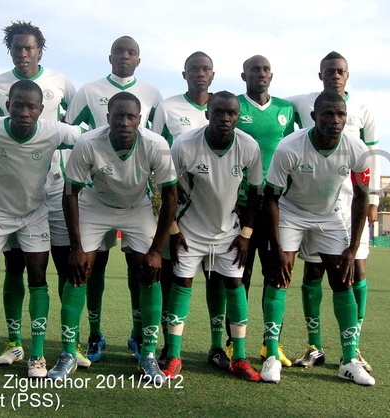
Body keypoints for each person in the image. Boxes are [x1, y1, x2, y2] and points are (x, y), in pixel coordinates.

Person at [0, 21, 85, 369]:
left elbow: (79, 129)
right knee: (14, 267)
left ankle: (69, 343)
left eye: (29, 48)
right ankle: (15, 342)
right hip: (8, 194)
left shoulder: (61, 82)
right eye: (17, 48)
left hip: (53, 190)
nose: (22, 53)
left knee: (64, 265)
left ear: (39, 50)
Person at [0, 80, 82, 378]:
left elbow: (89, 137)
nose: (24, 112)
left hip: (34, 215)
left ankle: (36, 356)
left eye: (31, 107)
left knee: (38, 279)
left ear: (41, 110)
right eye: (18, 105)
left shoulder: (54, 130)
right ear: (7, 106)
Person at [48, 92, 177, 382]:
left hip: (137, 207)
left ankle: (148, 355)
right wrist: (76, 246)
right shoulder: (88, 142)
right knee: (80, 270)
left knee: (149, 271)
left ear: (139, 120)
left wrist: (156, 250)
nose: (124, 122)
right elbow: (71, 194)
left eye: (131, 116)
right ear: (108, 118)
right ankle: (68, 352)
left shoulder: (156, 144)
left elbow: (170, 197)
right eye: (118, 115)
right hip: (96, 204)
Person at [261, 91, 375, 386]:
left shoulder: (357, 148)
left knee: (343, 278)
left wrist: (352, 248)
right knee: (280, 274)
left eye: (340, 114)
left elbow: (362, 198)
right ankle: (272, 355)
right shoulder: (290, 146)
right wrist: (275, 247)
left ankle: (349, 360)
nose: (335, 120)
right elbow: (271, 198)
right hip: (291, 211)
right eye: (327, 114)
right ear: (313, 117)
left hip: (328, 215)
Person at [65, 36, 163, 362]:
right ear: (110, 57)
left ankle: (141, 338)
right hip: (97, 195)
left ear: (139, 58)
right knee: (91, 266)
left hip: (136, 198)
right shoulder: (88, 90)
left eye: (131, 52)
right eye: (119, 51)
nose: (125, 56)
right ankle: (93, 336)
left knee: (144, 267)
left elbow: (158, 142)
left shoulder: (152, 94)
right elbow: (69, 131)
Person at [286, 52, 379, 370]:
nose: (334, 75)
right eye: (329, 71)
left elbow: (373, 155)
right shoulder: (301, 102)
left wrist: (373, 201)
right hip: (315, 203)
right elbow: (271, 106)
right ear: (320, 74)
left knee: (357, 271)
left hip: (353, 203)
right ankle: (315, 346)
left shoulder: (364, 107)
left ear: (348, 75)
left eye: (340, 71)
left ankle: (354, 345)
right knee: (312, 271)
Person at [164, 91, 264, 381]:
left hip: (228, 233)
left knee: (235, 284)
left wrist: (246, 234)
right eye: (218, 112)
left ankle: (240, 357)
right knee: (182, 285)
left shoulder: (248, 146)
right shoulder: (185, 144)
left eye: (231, 113)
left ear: (238, 117)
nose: (225, 118)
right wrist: (173, 230)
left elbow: (256, 192)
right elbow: (166, 187)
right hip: (190, 233)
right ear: (207, 114)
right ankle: (173, 356)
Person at [229, 55, 295, 367]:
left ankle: (272, 344)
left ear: (272, 75)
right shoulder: (236, 107)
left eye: (266, 69)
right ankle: (233, 341)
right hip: (240, 203)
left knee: (275, 272)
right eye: (255, 69)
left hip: (276, 205)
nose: (261, 74)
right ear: (244, 76)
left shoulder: (286, 109)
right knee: (240, 273)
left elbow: (295, 145)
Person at [149, 51, 214, 364]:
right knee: (171, 279)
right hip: (178, 210)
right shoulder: (168, 107)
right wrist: (161, 201)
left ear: (212, 75)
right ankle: (167, 346)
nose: (199, 74)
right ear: (184, 73)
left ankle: (221, 346)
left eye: (205, 69)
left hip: (215, 214)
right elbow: (156, 153)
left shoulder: (222, 108)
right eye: (194, 69)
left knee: (218, 280)